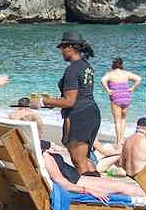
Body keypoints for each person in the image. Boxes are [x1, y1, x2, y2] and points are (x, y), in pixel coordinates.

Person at [37, 32, 101, 176]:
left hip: (79, 115)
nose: (61, 52)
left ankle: (90, 192)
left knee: (78, 161)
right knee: (84, 159)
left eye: (62, 48)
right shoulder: (86, 66)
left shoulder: (72, 69)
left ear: (70, 47)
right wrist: (54, 102)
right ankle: (98, 187)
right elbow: (80, 94)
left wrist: (42, 101)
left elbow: (69, 101)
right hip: (92, 112)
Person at [100, 57, 142, 151]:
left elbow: (102, 80)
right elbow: (139, 79)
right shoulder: (126, 73)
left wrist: (108, 90)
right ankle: (122, 139)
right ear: (122, 64)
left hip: (116, 97)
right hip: (126, 97)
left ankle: (119, 142)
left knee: (117, 121)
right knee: (123, 119)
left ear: (113, 64)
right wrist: (132, 88)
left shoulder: (110, 74)